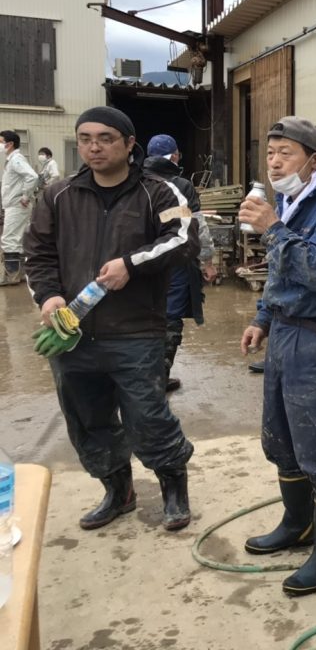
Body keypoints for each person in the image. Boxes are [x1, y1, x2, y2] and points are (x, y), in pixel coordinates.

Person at [22, 106, 198, 531]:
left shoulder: (158, 193)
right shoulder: (58, 196)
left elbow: (184, 238)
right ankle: (118, 491)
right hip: (73, 335)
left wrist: (131, 264)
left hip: (135, 331)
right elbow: (37, 253)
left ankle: (174, 488)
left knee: (148, 417)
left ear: (129, 143)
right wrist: (48, 297)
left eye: (105, 138)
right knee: (89, 420)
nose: (94, 147)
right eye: (85, 139)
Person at [237, 116, 316, 597]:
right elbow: (280, 274)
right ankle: (298, 523)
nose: (273, 162)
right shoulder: (291, 200)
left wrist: (272, 229)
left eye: (285, 153)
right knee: (281, 440)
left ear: (315, 160)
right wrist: (262, 318)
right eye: (270, 153)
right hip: (286, 333)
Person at [144, 134, 217, 393]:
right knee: (171, 317)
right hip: (175, 260)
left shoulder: (137, 180)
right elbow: (197, 226)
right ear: (175, 155)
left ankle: (139, 377)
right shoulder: (182, 185)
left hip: (141, 261)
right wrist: (207, 260)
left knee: (143, 315)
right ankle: (159, 378)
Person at [1, 130, 39, 285]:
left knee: (9, 239)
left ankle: (11, 275)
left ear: (9, 144)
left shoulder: (16, 159)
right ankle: (19, 273)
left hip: (16, 205)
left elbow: (32, 176)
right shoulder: (12, 160)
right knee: (19, 239)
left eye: (1, 142)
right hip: (16, 205)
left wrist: (25, 196)